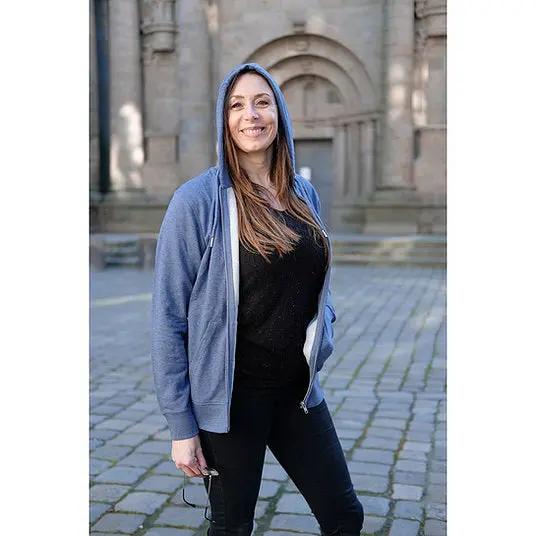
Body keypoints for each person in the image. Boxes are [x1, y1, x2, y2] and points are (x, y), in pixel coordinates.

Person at [151, 63, 364, 536]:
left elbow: (316, 278)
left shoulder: (303, 193)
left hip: (296, 394)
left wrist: (324, 325)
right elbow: (168, 317)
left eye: (262, 102)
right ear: (223, 120)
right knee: (233, 528)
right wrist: (182, 427)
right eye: (237, 105)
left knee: (345, 516)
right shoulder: (196, 201)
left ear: (279, 113)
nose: (251, 114)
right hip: (231, 403)